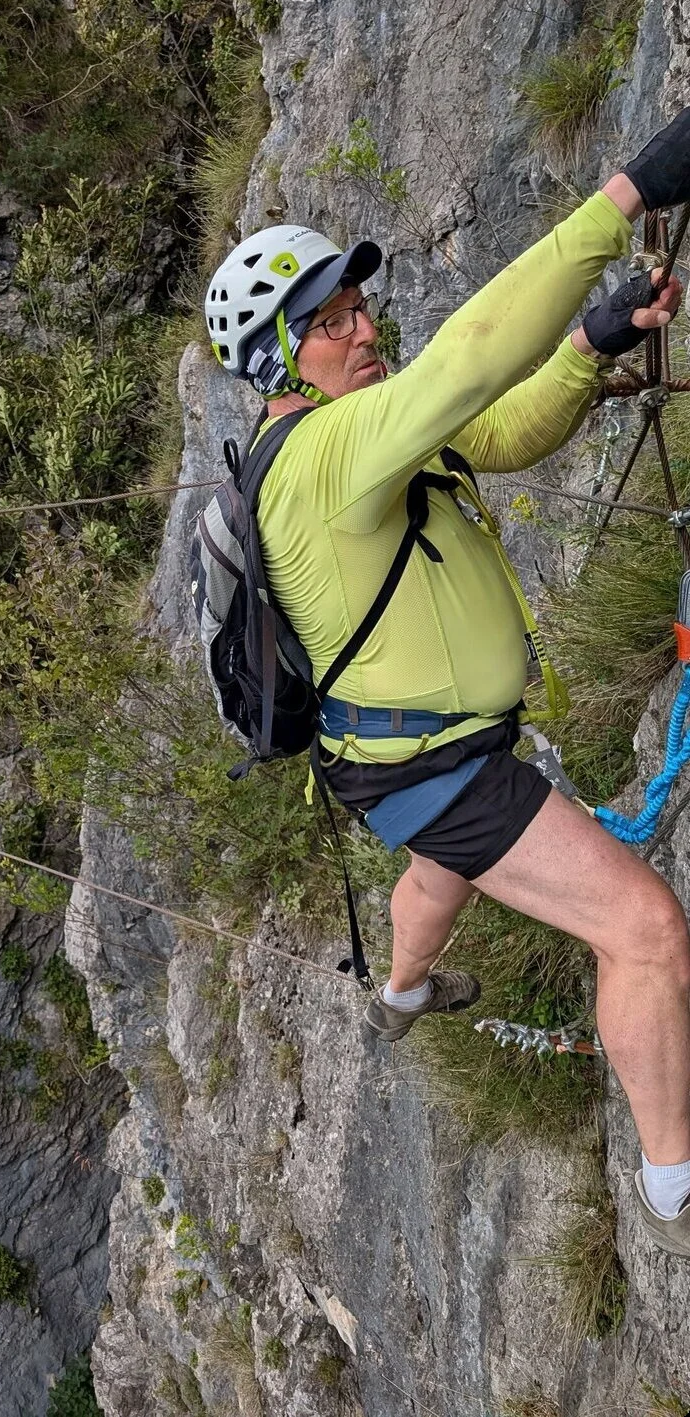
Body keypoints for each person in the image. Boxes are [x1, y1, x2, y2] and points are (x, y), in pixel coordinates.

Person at [204, 109, 690, 1256]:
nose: (366, 329)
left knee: (442, 865)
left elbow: (503, 426)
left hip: (397, 761)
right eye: (332, 323)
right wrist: (627, 194)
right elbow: (472, 356)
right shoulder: (320, 454)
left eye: (360, 308)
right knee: (649, 929)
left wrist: (592, 346)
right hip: (439, 766)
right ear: (282, 358)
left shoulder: (359, 435)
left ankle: (406, 987)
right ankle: (675, 1176)